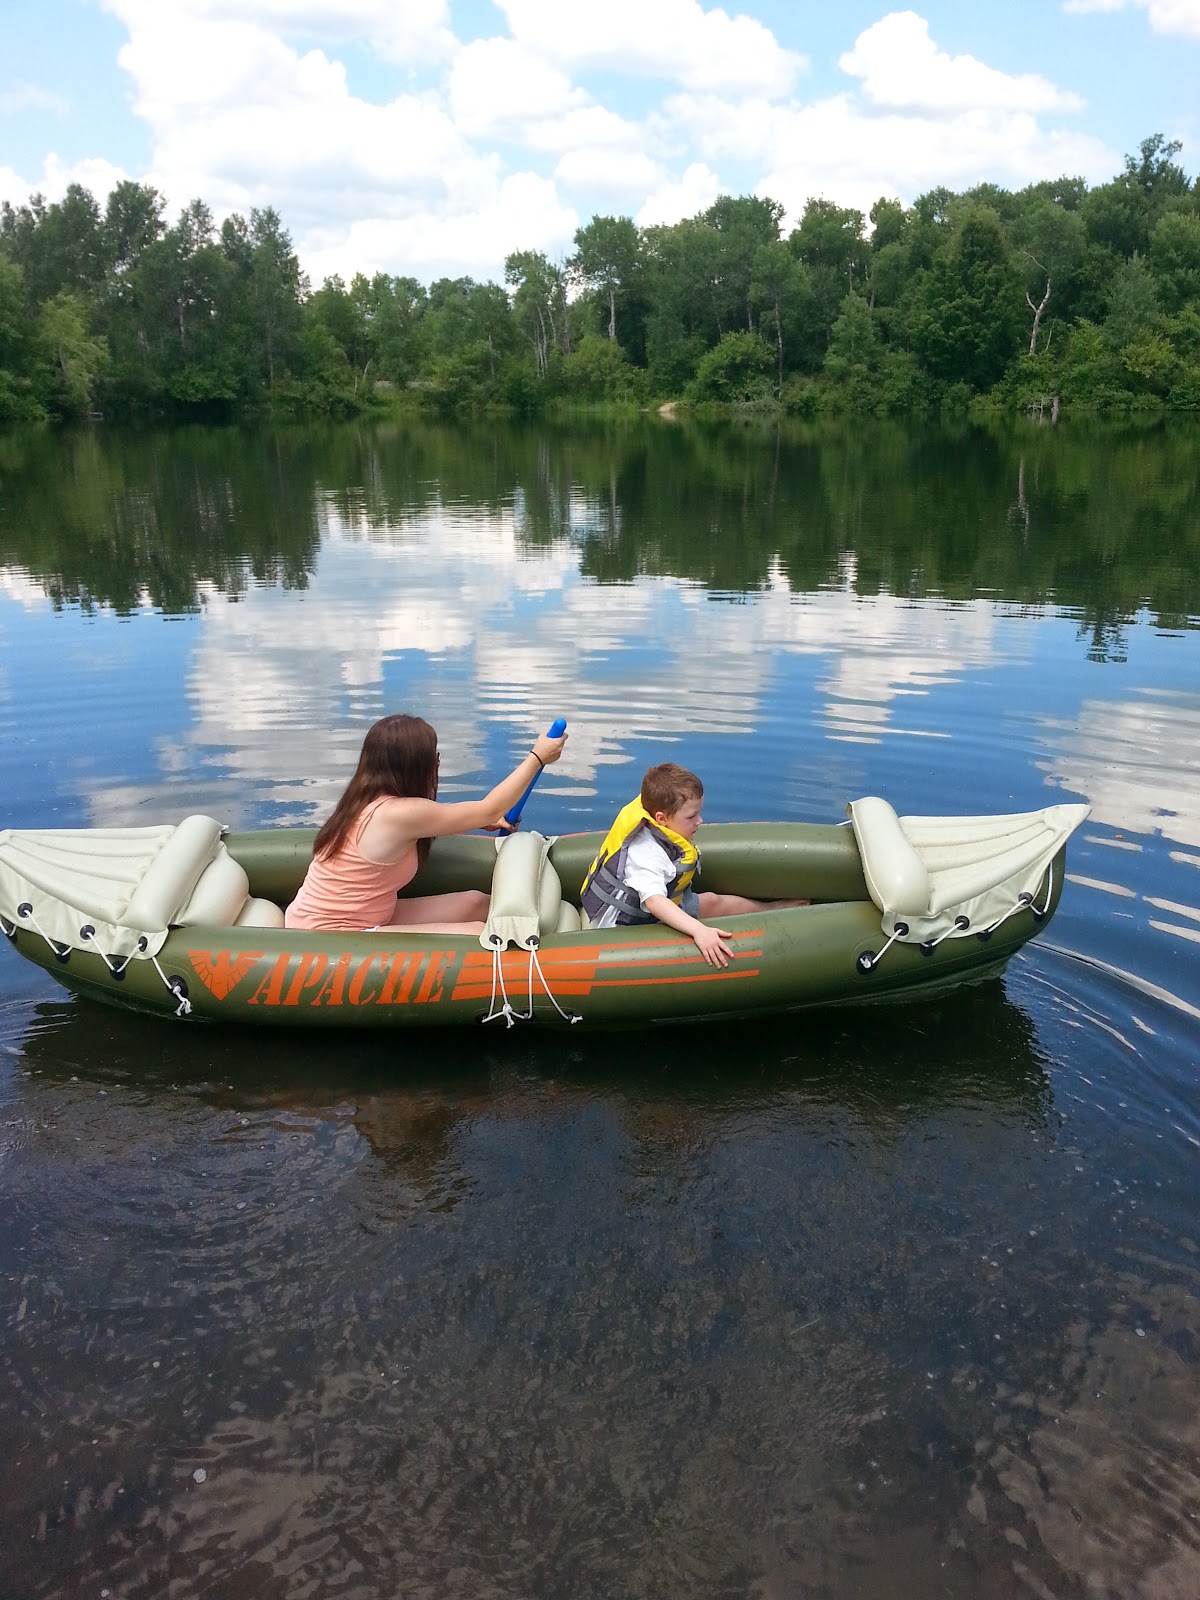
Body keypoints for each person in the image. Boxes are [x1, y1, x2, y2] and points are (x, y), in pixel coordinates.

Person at [285, 713, 567, 934]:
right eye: (435, 757)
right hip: (333, 934)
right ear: (417, 767)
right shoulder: (398, 813)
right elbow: (489, 808)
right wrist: (537, 757)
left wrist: (483, 821)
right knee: (478, 933)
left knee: (475, 903)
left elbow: (440, 819)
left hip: (366, 915)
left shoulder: (366, 803)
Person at [580, 761, 805, 968]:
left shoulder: (659, 819)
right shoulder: (646, 854)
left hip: (644, 907)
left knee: (712, 901)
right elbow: (655, 902)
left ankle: (770, 910)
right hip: (623, 926)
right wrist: (699, 931)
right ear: (661, 818)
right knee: (702, 910)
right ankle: (768, 913)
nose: (700, 821)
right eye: (691, 817)